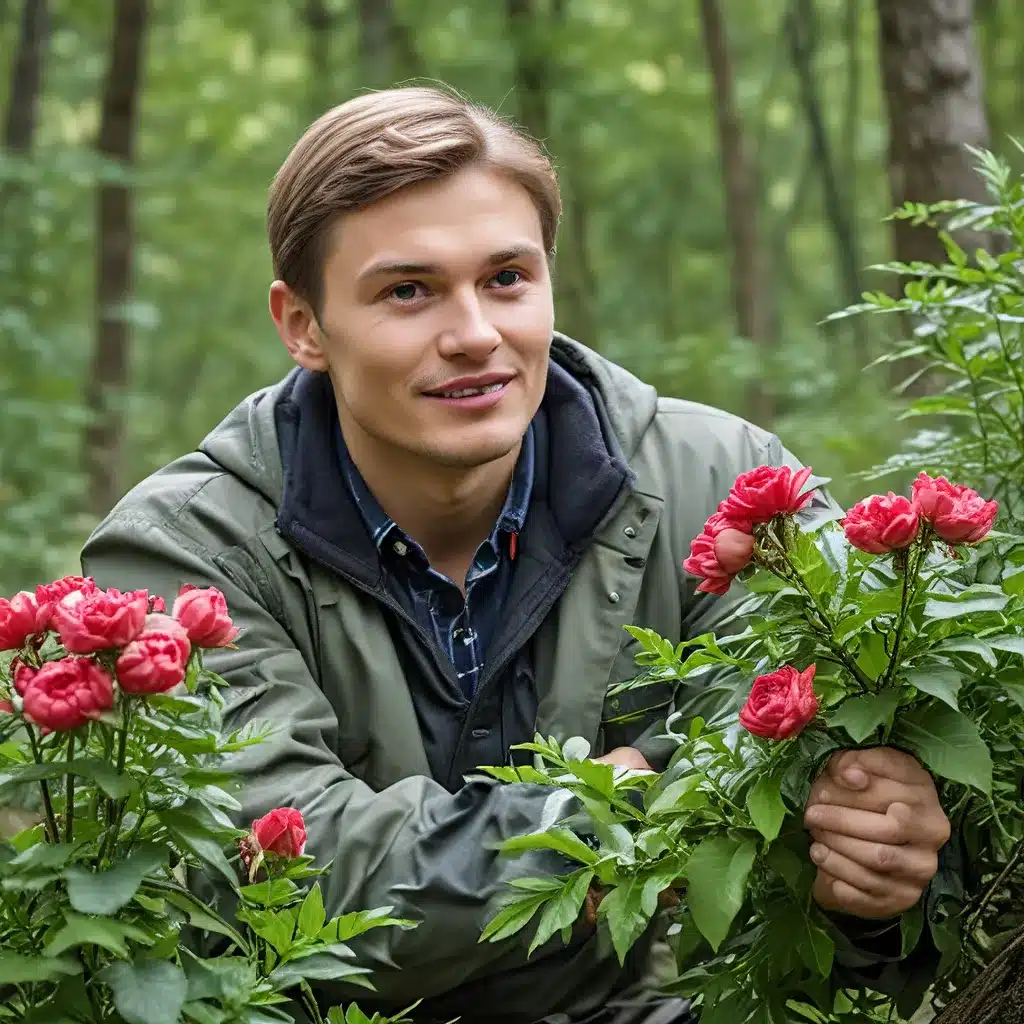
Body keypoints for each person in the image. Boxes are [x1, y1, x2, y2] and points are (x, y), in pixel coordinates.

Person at [80, 86, 951, 1024]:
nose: (475, 336)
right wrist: (604, 813)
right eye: (407, 291)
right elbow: (281, 879)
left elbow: (839, 801)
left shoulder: (728, 488)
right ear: (302, 326)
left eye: (506, 278)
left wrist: (878, 874)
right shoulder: (184, 555)